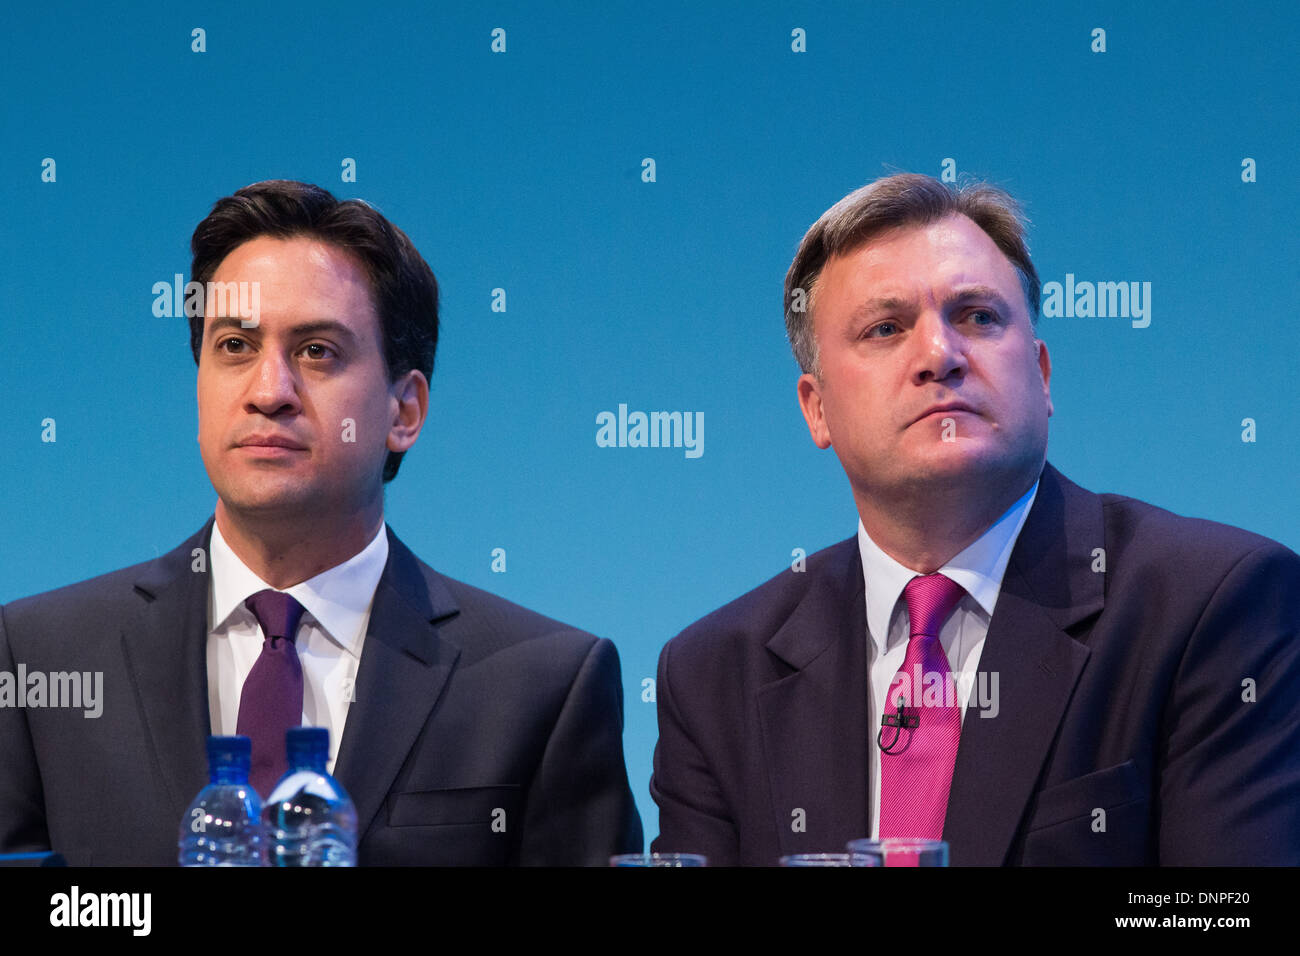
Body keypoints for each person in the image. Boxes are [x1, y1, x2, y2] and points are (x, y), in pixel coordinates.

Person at [649, 172, 1300, 866]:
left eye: (978, 317)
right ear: (816, 408)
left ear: (1043, 376)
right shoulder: (715, 674)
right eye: (886, 328)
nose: (940, 355)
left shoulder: (1214, 605)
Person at [0, 180, 642, 865]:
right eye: (235, 346)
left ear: (405, 411)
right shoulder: (41, 658)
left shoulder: (540, 684)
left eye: (316, 352)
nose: (269, 392)